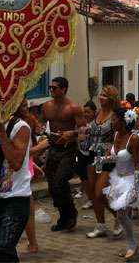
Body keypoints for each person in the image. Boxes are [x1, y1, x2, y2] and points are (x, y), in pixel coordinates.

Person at [0, 99, 32, 263]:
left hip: (16, 199)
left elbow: (16, 163)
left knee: (3, 249)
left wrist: (2, 134)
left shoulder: (20, 127)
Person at [41, 77, 86, 232]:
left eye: (55, 88)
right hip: (52, 149)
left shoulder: (73, 107)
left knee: (60, 181)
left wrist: (72, 133)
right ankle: (64, 217)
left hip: (68, 149)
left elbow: (84, 131)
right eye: (50, 87)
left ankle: (71, 214)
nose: (51, 90)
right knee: (53, 186)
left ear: (64, 89)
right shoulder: (46, 106)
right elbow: (41, 124)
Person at [103, 108, 139, 260]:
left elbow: (138, 164)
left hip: (131, 179)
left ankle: (133, 244)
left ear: (123, 121)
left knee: (121, 213)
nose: (111, 122)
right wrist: (103, 159)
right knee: (122, 214)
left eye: (114, 119)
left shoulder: (134, 139)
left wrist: (135, 188)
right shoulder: (116, 134)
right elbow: (116, 158)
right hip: (117, 179)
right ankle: (131, 244)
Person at [86, 85, 122, 238]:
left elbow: (120, 136)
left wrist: (113, 149)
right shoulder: (98, 113)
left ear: (112, 99)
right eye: (101, 94)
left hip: (108, 157)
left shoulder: (115, 115)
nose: (101, 98)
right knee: (92, 194)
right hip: (93, 154)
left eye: (105, 96)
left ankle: (119, 216)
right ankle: (101, 225)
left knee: (100, 193)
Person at [77, 100, 96, 210]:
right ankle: (90, 198)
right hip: (81, 152)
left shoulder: (96, 124)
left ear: (94, 112)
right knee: (83, 177)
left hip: (92, 153)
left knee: (92, 178)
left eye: (88, 112)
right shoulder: (81, 124)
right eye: (84, 112)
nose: (85, 114)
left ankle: (95, 198)